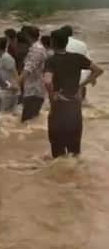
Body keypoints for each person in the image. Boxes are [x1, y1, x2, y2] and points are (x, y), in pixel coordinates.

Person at [43, 29, 103, 158]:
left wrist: (53, 95)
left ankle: (59, 177)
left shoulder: (51, 61)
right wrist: (81, 86)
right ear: (66, 42)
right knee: (75, 151)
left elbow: (47, 81)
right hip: (75, 108)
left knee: (58, 151)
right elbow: (98, 70)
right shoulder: (77, 57)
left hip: (59, 108)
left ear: (52, 42)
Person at [20, 26, 48, 122]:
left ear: (27, 35)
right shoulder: (36, 48)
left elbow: (28, 69)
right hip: (34, 89)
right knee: (32, 121)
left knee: (26, 120)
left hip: (34, 90)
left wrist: (17, 82)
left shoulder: (36, 50)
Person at [62, 25, 92, 102]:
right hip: (80, 79)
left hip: (63, 80)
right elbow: (89, 62)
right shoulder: (82, 44)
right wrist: (92, 78)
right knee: (81, 103)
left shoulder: (58, 44)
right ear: (72, 34)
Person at [0, 37, 19, 112]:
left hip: (9, 90)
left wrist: (16, 86)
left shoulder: (7, 58)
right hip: (5, 89)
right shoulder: (0, 58)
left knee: (5, 113)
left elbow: (15, 73)